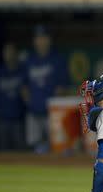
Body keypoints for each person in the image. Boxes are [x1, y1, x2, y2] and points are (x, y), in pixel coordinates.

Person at [22, 25, 69, 153]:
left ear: (49, 40)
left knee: (54, 148)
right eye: (38, 38)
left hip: (51, 114)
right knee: (34, 148)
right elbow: (24, 86)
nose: (41, 41)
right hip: (33, 114)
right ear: (34, 41)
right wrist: (30, 102)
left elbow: (63, 87)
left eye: (43, 38)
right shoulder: (29, 60)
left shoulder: (57, 59)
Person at [0, 42, 26, 150]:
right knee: (3, 152)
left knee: (20, 152)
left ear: (16, 54)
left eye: (12, 52)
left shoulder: (22, 71)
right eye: (7, 52)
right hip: (3, 120)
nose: (9, 54)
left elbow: (27, 94)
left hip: (18, 119)